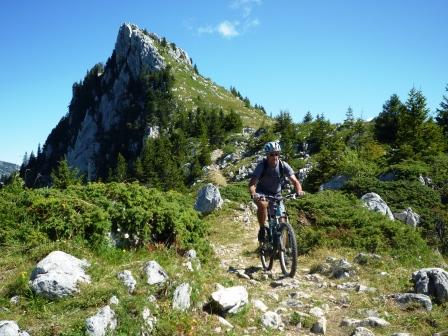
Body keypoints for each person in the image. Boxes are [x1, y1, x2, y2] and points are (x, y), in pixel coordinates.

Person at [248, 141, 304, 242]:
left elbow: (295, 181)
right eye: (272, 154)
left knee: (282, 219)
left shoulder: (283, 165)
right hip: (262, 193)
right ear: (267, 155)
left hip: (277, 194)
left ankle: (281, 247)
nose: (275, 157)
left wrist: (299, 191)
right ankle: (262, 229)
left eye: (277, 154)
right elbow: (252, 184)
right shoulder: (262, 166)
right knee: (263, 204)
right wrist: (254, 194)